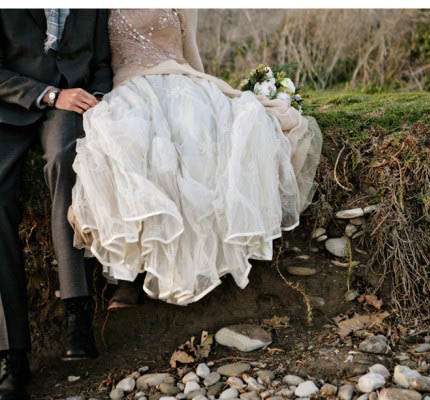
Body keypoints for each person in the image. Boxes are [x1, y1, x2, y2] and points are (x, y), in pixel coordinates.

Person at [69, 9, 322, 307]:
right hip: (129, 90)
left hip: (182, 82)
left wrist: (211, 90)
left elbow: (190, 54)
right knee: (132, 145)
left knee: (199, 137)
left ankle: (207, 264)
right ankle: (129, 274)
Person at [0, 9, 112, 399]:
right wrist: (47, 94)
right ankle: (12, 354)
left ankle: (77, 312)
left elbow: (102, 64)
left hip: (68, 109)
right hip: (9, 107)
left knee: (66, 161)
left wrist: (98, 100)